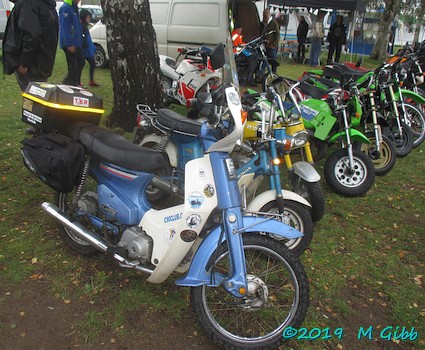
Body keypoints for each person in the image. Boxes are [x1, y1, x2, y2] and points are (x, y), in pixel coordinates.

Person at [2, 0, 59, 91]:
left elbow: (32, 36)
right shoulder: (43, 4)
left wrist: (24, 63)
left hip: (32, 65)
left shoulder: (28, 3)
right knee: (37, 95)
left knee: (33, 97)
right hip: (42, 60)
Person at [59, 0, 85, 86]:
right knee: (73, 65)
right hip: (69, 43)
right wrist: (68, 44)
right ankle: (71, 84)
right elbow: (64, 27)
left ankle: (72, 82)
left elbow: (77, 25)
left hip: (76, 42)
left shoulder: (74, 8)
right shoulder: (65, 8)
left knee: (81, 62)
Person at [80, 9, 100, 87]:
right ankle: (77, 81)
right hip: (84, 49)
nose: (89, 19)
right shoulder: (82, 26)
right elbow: (84, 39)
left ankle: (91, 80)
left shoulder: (85, 26)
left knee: (92, 63)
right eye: (87, 17)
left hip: (87, 49)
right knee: (80, 64)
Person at [259, 9, 280, 73]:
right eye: (263, 15)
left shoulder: (274, 24)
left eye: (265, 15)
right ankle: (262, 75)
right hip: (263, 46)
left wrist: (273, 44)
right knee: (263, 61)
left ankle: (274, 74)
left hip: (272, 46)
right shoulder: (261, 24)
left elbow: (277, 35)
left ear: (268, 14)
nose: (264, 17)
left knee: (273, 60)